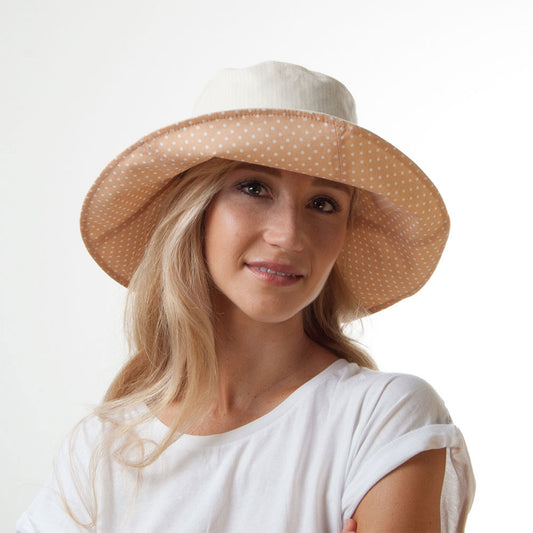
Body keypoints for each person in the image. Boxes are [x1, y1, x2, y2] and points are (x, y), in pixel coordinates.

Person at [17, 61, 474, 532]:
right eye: (254, 188)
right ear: (197, 210)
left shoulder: (384, 418)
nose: (288, 235)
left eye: (323, 203)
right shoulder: (102, 448)